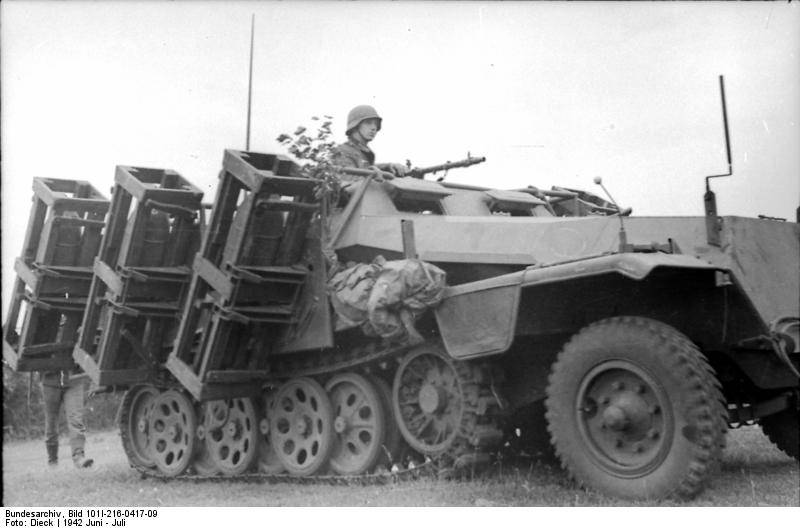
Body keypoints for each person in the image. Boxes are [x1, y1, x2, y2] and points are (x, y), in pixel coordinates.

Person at [332, 105, 407, 181]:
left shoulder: (363, 152)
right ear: (355, 126)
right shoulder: (342, 151)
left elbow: (364, 167)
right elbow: (348, 181)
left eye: (376, 124)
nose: (374, 128)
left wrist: (388, 166)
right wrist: (376, 177)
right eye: (368, 123)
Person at [40, 367, 94, 469]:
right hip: (50, 381)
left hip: (74, 380)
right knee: (51, 422)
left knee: (76, 420)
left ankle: (79, 457)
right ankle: (52, 461)